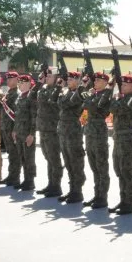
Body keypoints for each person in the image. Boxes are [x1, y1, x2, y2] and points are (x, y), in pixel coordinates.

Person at [108, 74, 132, 214]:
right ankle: (123, 200)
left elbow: (114, 109)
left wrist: (116, 98)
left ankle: (129, 202)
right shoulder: (122, 98)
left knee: (127, 171)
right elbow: (112, 107)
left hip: (127, 137)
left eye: (126, 85)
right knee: (119, 169)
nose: (122, 86)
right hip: (118, 137)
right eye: (122, 84)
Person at [82, 72, 114, 209]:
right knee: (94, 166)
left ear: (105, 82)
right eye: (94, 80)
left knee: (101, 167)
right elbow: (85, 104)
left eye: (98, 80)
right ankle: (97, 195)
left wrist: (90, 97)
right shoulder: (94, 94)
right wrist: (90, 97)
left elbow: (94, 107)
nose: (95, 82)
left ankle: (103, 197)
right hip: (90, 133)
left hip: (99, 132)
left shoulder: (106, 94)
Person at [57, 71, 86, 203]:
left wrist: (81, 87)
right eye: (67, 79)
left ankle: (77, 192)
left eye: (71, 79)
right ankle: (72, 190)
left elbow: (66, 103)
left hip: (73, 132)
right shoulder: (66, 91)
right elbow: (59, 103)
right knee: (68, 162)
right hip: (63, 131)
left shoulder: (80, 93)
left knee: (76, 162)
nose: (68, 81)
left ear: (78, 80)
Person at [35, 69, 64, 197]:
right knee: (48, 158)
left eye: (50, 76)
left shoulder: (59, 91)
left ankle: (56, 186)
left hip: (53, 130)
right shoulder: (44, 88)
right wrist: (39, 83)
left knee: (54, 159)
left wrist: (57, 86)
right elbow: (33, 96)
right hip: (43, 129)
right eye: (46, 75)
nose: (47, 77)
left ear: (57, 77)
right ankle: (50, 183)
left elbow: (51, 101)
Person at [11, 74, 38, 191]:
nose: (20, 85)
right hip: (19, 132)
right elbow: (17, 116)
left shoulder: (31, 97)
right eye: (19, 83)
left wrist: (32, 134)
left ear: (28, 84)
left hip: (27, 133)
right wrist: (14, 130)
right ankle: (25, 179)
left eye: (22, 83)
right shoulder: (20, 97)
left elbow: (34, 117)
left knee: (29, 158)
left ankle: (30, 181)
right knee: (22, 157)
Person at [0, 72, 22, 187]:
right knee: (10, 153)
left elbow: (16, 114)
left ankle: (15, 177)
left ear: (17, 79)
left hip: (12, 128)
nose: (8, 81)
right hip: (5, 127)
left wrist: (15, 129)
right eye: (7, 79)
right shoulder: (8, 93)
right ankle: (11, 175)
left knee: (14, 154)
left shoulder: (17, 94)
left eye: (10, 79)